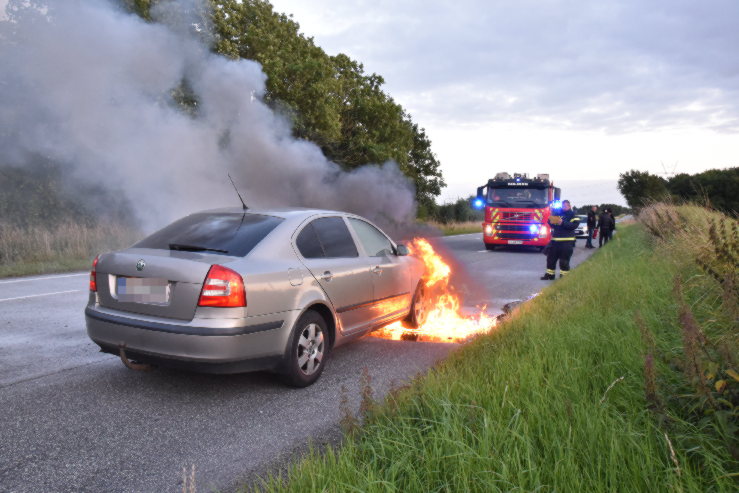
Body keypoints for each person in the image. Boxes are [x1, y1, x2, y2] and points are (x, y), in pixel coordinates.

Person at [541, 200, 580, 280]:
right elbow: (550, 223)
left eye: (565, 206)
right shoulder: (558, 213)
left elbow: (574, 225)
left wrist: (562, 223)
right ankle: (550, 275)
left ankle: (564, 277)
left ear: (569, 206)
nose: (564, 207)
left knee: (564, 261)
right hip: (555, 241)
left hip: (567, 242)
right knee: (550, 259)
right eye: (563, 206)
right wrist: (551, 219)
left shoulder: (573, 215)